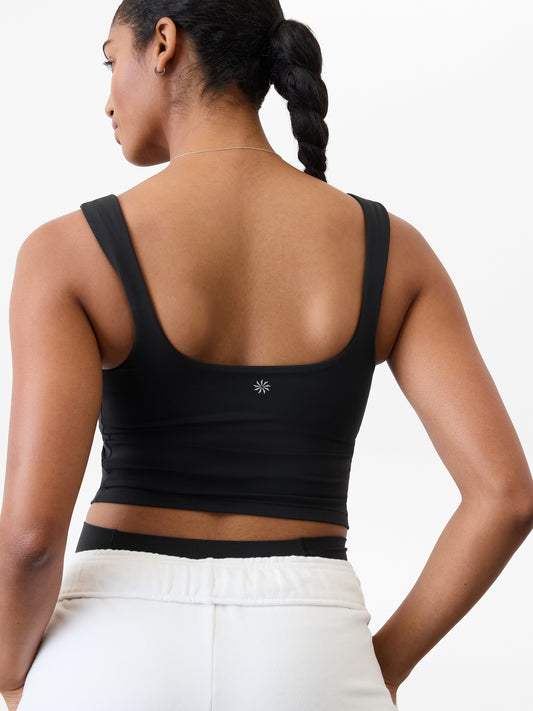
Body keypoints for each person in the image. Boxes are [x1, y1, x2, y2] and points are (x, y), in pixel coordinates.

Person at [0, 1, 532, 709]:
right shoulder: (392, 250)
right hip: (309, 645)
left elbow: (31, 538)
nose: (107, 100)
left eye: (110, 60)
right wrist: (377, 668)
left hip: (111, 644)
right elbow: (505, 497)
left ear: (163, 44)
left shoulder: (67, 252)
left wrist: (10, 673)